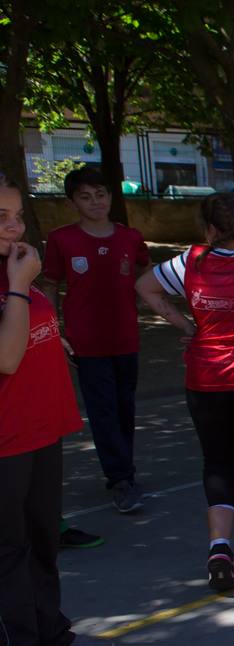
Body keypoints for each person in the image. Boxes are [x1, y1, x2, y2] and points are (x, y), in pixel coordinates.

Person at [136, 194, 234, 591]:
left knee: (217, 462)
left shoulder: (190, 261)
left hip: (205, 376)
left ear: (209, 227)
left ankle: (219, 546)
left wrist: (184, 325)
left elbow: (146, 286)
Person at [0, 177, 114, 646]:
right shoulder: (16, 275)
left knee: (43, 538)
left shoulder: (13, 267)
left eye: (18, 215)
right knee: (9, 551)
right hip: (6, 440)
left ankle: (50, 634)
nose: (16, 227)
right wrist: (23, 286)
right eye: (2, 218)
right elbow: (7, 356)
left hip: (41, 429)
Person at [37, 166, 149, 513]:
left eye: (100, 194)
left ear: (111, 197)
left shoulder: (130, 237)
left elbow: (145, 272)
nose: (95, 202)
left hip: (126, 336)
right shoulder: (61, 240)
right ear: (73, 202)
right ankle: (120, 478)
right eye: (85, 197)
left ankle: (124, 469)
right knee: (102, 409)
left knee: (125, 406)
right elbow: (50, 284)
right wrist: (54, 329)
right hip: (86, 340)